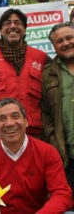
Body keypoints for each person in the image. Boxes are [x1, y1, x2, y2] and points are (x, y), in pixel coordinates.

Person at [0, 98, 73, 213]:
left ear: (26, 121)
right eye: (2, 119)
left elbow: (62, 194)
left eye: (15, 116)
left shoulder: (47, 152)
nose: (9, 123)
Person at [0, 8, 48, 138]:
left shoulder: (42, 58)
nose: (13, 26)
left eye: (17, 23)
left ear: (24, 30)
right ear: (0, 31)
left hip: (34, 133)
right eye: (7, 23)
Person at [42, 23, 74, 194]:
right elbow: (45, 112)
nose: (65, 43)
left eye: (69, 38)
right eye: (59, 41)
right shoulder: (48, 73)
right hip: (68, 154)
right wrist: (53, 137)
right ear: (53, 46)